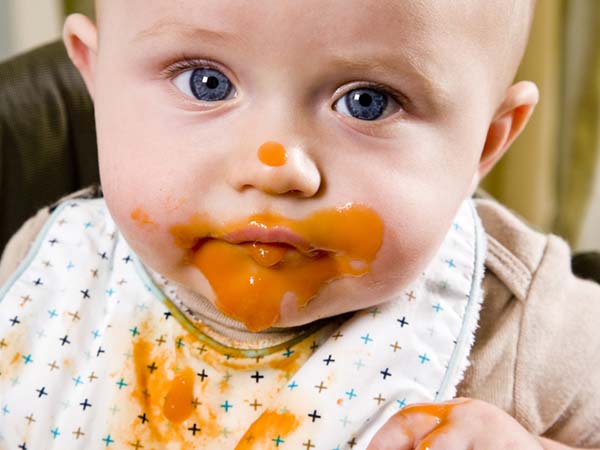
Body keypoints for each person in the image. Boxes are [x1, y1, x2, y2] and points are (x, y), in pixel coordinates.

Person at [0, 0, 599, 448]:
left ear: (484, 145)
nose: (276, 166)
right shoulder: (48, 271)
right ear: (97, 82)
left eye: (367, 102)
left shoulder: (527, 324)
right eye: (206, 83)